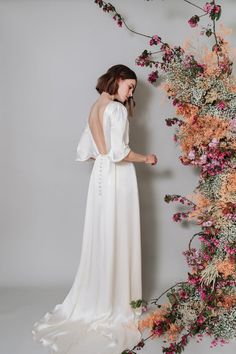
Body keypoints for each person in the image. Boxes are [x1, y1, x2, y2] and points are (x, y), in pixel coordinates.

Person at [32, 64, 158, 354]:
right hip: (117, 176)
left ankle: (102, 297)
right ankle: (117, 302)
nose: (130, 93)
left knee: (104, 233)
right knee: (119, 232)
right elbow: (119, 153)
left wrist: (106, 159)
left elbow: (86, 151)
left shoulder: (94, 107)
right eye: (129, 87)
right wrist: (147, 158)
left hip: (100, 178)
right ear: (117, 81)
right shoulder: (116, 110)